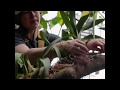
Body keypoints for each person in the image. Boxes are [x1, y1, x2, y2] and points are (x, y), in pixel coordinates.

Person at [15, 11, 105, 66]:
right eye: (26, 12)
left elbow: (69, 44)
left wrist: (89, 44)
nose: (32, 14)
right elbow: (26, 56)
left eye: (35, 10)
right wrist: (61, 47)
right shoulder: (16, 36)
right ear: (19, 18)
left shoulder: (44, 37)